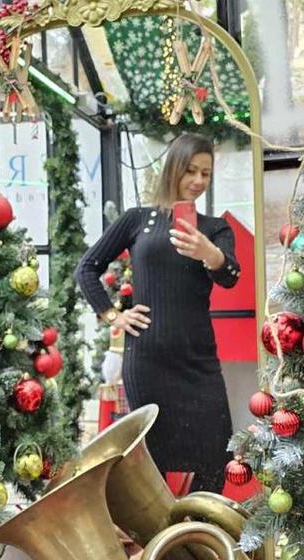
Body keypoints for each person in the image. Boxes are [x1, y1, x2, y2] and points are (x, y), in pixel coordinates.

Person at [75, 133, 240, 493]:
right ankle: (159, 544)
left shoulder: (214, 229)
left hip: (198, 361)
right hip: (147, 360)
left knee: (218, 453)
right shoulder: (137, 220)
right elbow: (86, 268)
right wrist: (112, 316)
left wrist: (208, 253)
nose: (197, 181)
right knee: (152, 462)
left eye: (206, 174)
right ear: (173, 169)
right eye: (190, 170)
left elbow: (230, 275)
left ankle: (195, 536)